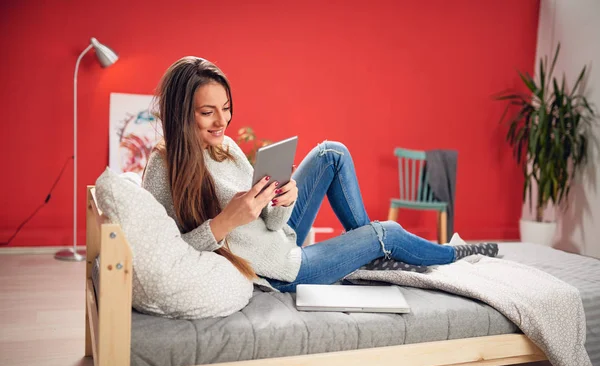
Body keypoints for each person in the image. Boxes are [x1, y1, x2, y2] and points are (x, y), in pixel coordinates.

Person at [142, 56, 496, 293]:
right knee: (386, 231)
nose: (222, 122)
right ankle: (453, 255)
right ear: (180, 112)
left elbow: (271, 220)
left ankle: (372, 253)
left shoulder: (226, 146)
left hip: (278, 240)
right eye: (208, 113)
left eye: (227, 109)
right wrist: (225, 223)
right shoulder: (163, 169)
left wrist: (283, 200)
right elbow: (167, 258)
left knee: (332, 152)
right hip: (280, 271)